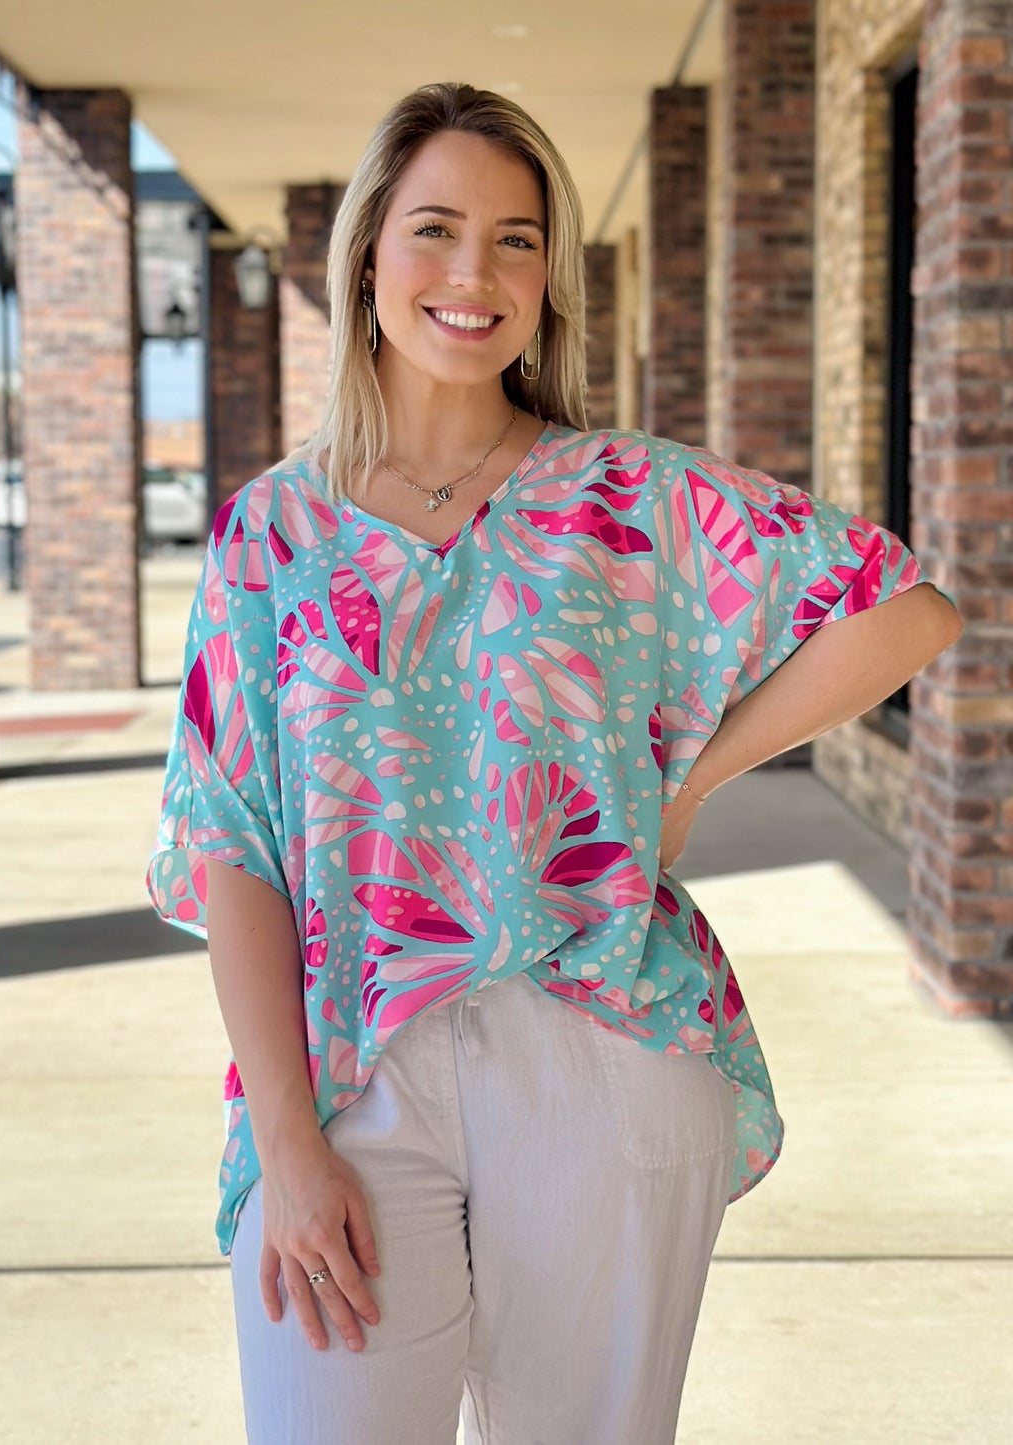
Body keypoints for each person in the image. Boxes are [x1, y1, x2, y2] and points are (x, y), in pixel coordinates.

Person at [147, 81, 962, 1445]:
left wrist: (693, 779)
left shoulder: (629, 497)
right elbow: (228, 840)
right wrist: (288, 1142)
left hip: (603, 1046)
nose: (474, 273)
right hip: (350, 1072)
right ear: (366, 255)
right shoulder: (267, 534)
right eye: (436, 229)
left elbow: (903, 610)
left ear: (548, 278)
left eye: (517, 240)